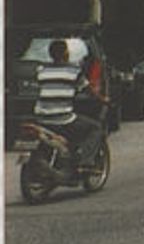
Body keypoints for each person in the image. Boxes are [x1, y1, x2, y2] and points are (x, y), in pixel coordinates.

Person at [33, 39, 104, 167]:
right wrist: (103, 98)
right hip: (63, 119)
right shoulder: (73, 71)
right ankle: (85, 161)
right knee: (96, 128)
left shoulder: (41, 71)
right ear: (66, 53)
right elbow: (90, 90)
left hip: (41, 118)